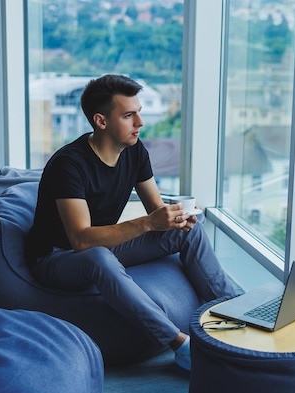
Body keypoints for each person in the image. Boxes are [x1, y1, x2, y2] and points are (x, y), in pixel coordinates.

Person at [24, 74, 236, 371]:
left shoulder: (134, 151)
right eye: (128, 115)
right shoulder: (68, 165)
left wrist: (177, 219)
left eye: (139, 112)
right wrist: (149, 223)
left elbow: (155, 209)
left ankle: (233, 310)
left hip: (105, 248)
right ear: (101, 121)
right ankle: (181, 346)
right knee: (96, 254)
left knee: (190, 231)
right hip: (56, 258)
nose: (140, 122)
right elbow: (81, 240)